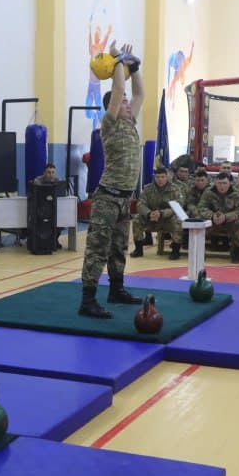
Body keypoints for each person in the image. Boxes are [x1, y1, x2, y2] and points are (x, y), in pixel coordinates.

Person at [79, 43, 145, 318]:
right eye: (124, 104)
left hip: (124, 198)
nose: (129, 104)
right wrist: (118, 59)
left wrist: (135, 67)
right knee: (98, 248)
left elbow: (139, 93)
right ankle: (88, 300)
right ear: (113, 108)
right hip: (107, 197)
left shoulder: (130, 123)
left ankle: (116, 289)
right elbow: (119, 91)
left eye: (128, 105)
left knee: (119, 247)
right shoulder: (109, 124)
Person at [132, 166, 183, 260]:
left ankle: (175, 251)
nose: (160, 179)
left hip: (167, 220)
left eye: (162, 177)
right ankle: (138, 249)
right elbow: (140, 204)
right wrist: (149, 213)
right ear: (154, 177)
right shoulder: (147, 189)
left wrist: (161, 213)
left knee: (178, 221)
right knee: (136, 219)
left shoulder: (175, 189)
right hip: (151, 219)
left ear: (167, 177)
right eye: (157, 177)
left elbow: (178, 207)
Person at [197, 172, 239, 262]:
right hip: (212, 221)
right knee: (197, 222)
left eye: (224, 183)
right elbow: (201, 208)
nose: (222, 186)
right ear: (215, 183)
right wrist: (212, 216)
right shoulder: (208, 192)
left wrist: (225, 217)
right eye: (219, 183)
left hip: (230, 221)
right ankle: (199, 253)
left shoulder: (237, 192)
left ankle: (236, 252)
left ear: (230, 183)